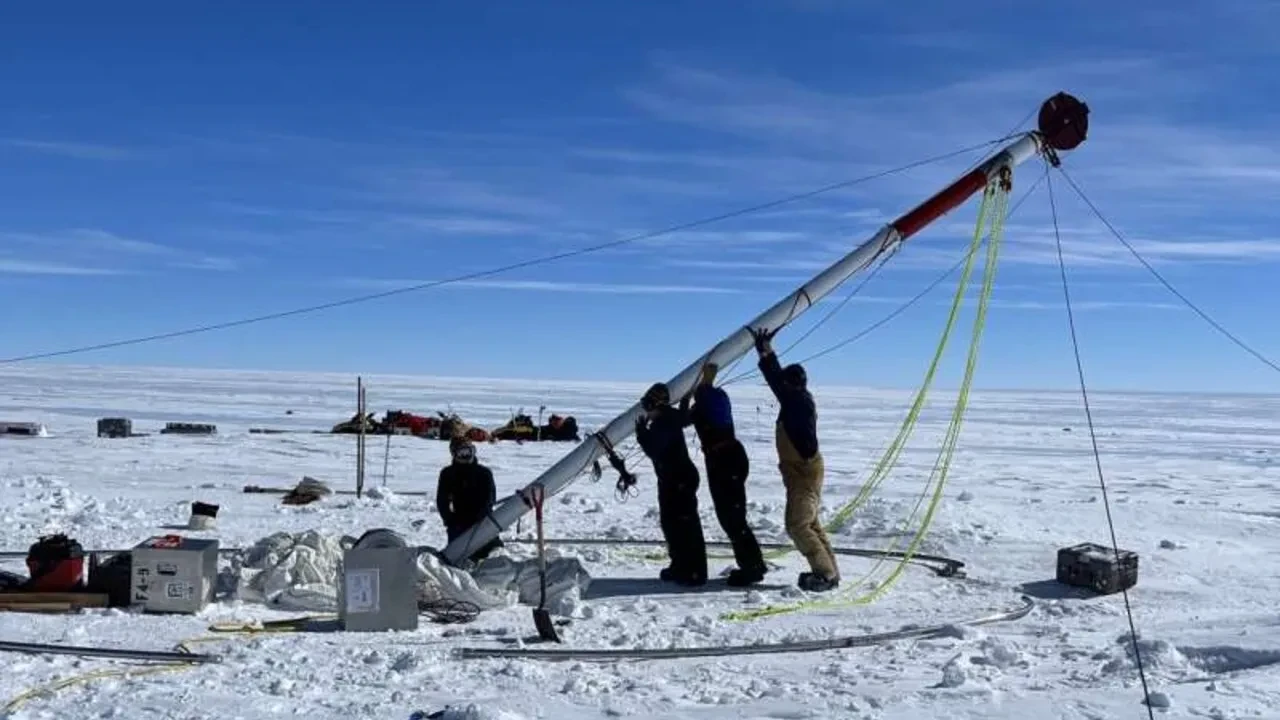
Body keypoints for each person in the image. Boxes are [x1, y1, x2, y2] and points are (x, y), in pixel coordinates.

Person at [749, 326, 839, 592]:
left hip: (804, 472)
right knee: (809, 523)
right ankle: (830, 572)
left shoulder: (798, 402)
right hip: (802, 471)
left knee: (798, 525)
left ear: (792, 384)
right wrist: (766, 352)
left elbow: (778, 383)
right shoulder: (796, 398)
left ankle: (825, 574)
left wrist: (767, 353)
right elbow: (778, 382)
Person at [679, 363, 767, 587]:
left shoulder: (712, 400)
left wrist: (691, 392)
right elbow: (686, 418)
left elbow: (685, 418)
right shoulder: (714, 401)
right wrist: (689, 396)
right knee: (731, 517)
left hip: (725, 461)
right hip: (728, 459)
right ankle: (752, 564)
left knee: (732, 518)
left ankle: (752, 567)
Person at [635, 381, 708, 586]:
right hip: (672, 480)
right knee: (671, 525)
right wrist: (685, 400)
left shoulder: (663, 422)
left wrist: (642, 434)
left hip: (679, 480)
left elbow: (654, 449)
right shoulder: (670, 417)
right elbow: (684, 418)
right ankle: (680, 565)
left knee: (684, 527)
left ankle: (694, 572)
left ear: (653, 405)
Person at [436, 435, 502, 562]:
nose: (466, 455)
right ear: (454, 454)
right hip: (459, 522)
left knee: (491, 555)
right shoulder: (448, 474)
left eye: (468, 451)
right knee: (457, 557)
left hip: (483, 521)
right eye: (461, 452)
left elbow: (490, 498)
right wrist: (449, 520)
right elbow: (442, 500)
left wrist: (481, 518)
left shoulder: (484, 473)